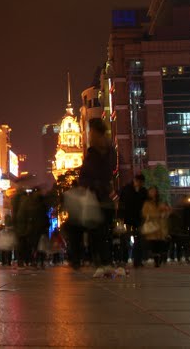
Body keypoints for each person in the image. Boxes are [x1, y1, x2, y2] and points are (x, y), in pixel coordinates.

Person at [72, 118, 118, 276]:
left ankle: (103, 263)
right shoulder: (104, 150)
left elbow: (89, 174)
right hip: (101, 196)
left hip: (98, 197)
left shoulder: (102, 152)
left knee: (99, 232)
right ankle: (103, 262)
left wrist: (88, 183)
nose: (89, 134)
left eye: (91, 131)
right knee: (101, 232)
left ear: (97, 132)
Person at [118, 173, 147, 267]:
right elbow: (121, 203)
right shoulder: (127, 189)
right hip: (128, 217)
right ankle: (124, 259)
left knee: (138, 240)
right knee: (125, 239)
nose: (139, 183)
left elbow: (145, 204)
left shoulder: (143, 191)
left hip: (138, 218)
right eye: (138, 181)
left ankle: (137, 260)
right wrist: (120, 217)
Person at [141, 186, 170, 267]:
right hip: (152, 226)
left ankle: (159, 257)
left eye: (154, 191)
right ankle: (156, 259)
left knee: (160, 243)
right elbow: (144, 213)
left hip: (160, 226)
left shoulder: (160, 202)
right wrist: (154, 215)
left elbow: (167, 210)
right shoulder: (147, 203)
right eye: (151, 191)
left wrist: (164, 214)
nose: (152, 193)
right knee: (153, 243)